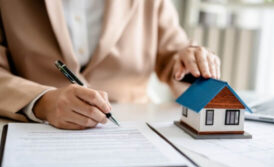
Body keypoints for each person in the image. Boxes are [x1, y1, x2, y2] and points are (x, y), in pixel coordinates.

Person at [0, 0, 220, 129]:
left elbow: (174, 56)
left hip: (134, 129)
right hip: (33, 129)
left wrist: (191, 62)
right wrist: (43, 102)